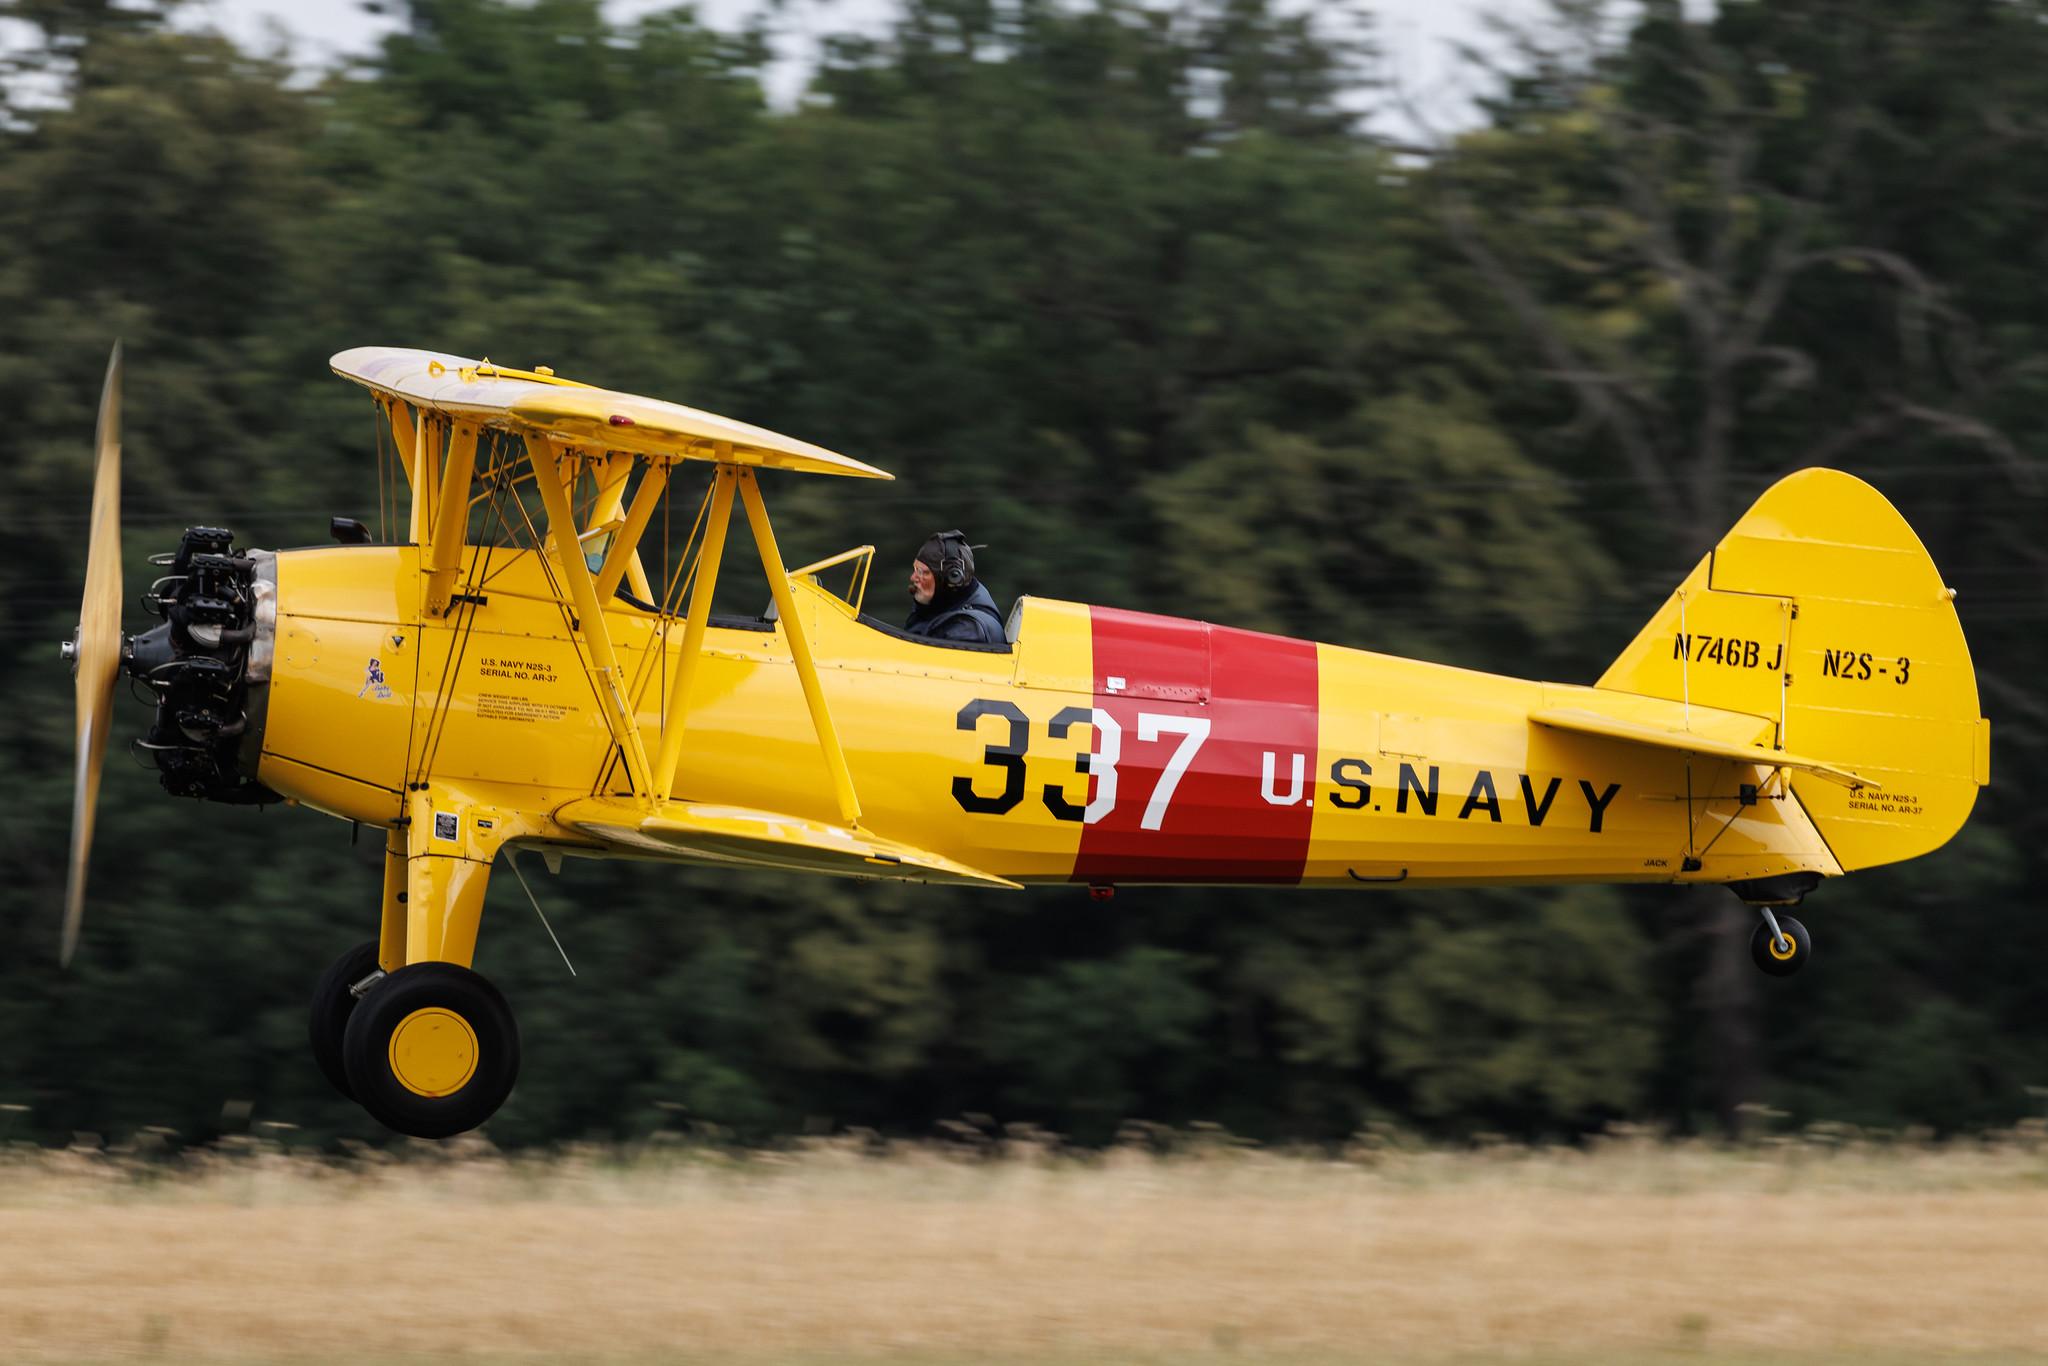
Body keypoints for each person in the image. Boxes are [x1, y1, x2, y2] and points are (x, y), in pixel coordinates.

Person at [904, 530, 1005, 645]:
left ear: (950, 578)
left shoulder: (968, 630)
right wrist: (922, 608)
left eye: (922, 572)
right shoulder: (938, 607)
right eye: (915, 569)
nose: (913, 577)